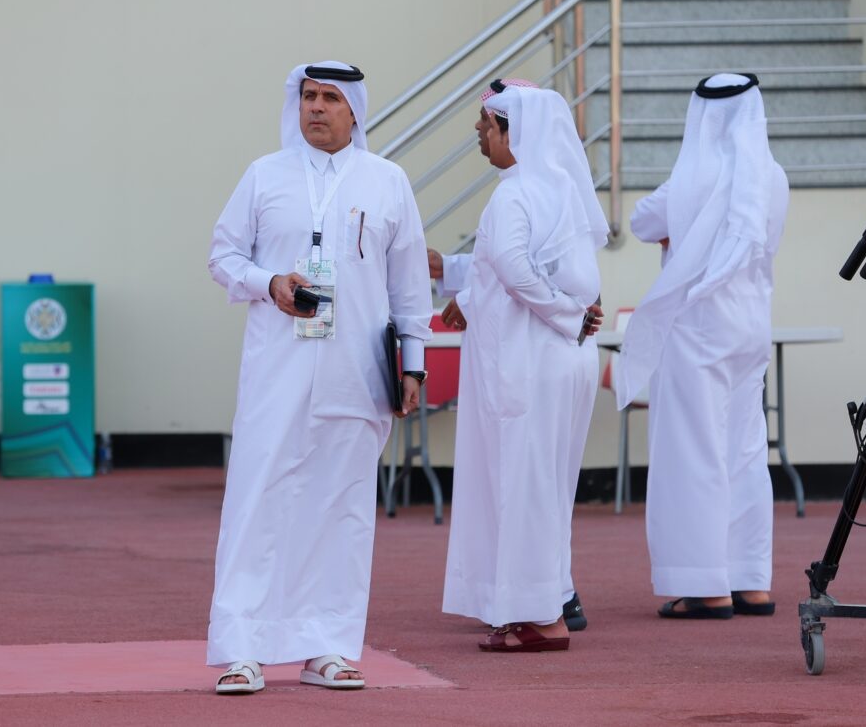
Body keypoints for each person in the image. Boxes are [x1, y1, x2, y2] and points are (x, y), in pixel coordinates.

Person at [206, 60, 433, 692]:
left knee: (343, 508)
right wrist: (268, 283)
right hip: (276, 371)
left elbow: (409, 286)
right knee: (258, 500)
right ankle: (242, 648)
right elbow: (223, 256)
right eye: (309, 96)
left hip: (356, 374)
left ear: (354, 111)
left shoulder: (387, 181)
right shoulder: (264, 175)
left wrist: (413, 364)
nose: (316, 107)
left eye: (331, 97)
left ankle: (327, 646)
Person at [614, 73, 789, 619]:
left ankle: (706, 585)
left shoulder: (691, 177)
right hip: (751, 325)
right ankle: (750, 581)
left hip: (698, 330)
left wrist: (681, 233)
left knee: (693, 451)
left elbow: (642, 221)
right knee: (745, 450)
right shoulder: (774, 176)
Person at [441, 85, 607, 652]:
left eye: (487, 124)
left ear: (515, 133)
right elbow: (565, 272)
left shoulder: (513, 192)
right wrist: (470, 297)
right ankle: (547, 599)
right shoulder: (562, 187)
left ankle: (539, 618)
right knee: (545, 487)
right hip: (564, 359)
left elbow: (513, 267)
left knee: (523, 483)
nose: (479, 133)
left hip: (529, 360)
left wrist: (567, 315)